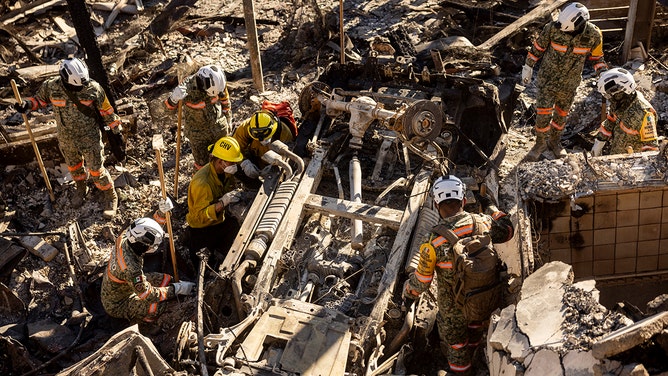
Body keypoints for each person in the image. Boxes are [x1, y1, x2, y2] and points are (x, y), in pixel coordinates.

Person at [403, 175, 514, 375]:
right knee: (476, 329)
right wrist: (489, 206)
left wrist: (408, 294)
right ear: (463, 200)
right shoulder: (483, 223)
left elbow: (422, 282)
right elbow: (508, 230)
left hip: (453, 310)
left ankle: (462, 370)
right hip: (483, 300)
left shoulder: (433, 241)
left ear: (437, 205)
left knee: (456, 348)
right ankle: (476, 351)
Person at [14, 57, 121, 218]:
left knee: (96, 171)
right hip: (66, 139)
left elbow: (107, 111)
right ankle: (81, 188)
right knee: (74, 167)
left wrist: (116, 129)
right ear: (65, 78)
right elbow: (39, 101)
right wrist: (26, 105)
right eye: (75, 86)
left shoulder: (93, 88)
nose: (80, 89)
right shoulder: (51, 86)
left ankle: (110, 196)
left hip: (89, 137)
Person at [521, 2, 608, 161]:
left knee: (561, 115)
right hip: (547, 80)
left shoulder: (594, 35)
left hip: (569, 83)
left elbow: (597, 58)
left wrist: (603, 74)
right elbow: (538, 47)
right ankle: (540, 143)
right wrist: (528, 65)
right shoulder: (553, 28)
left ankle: (555, 142)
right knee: (543, 113)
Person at [101, 217, 196, 323]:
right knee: (158, 307)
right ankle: (145, 322)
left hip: (120, 288)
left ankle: (179, 286)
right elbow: (148, 295)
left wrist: (161, 214)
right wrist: (176, 289)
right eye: (150, 246)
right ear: (142, 245)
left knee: (165, 278)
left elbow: (145, 227)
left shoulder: (126, 236)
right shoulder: (131, 269)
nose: (151, 249)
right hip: (118, 304)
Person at [184, 136, 244, 267]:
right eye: (232, 163)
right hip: (201, 230)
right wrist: (222, 203)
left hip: (219, 220)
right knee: (204, 264)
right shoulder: (203, 183)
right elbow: (199, 216)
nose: (235, 166)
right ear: (220, 161)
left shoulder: (225, 171)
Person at [165, 64, 232, 170]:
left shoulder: (218, 82)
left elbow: (225, 101)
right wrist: (173, 99)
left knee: (224, 159)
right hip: (198, 136)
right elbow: (167, 112)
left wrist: (228, 119)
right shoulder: (186, 89)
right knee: (202, 166)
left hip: (219, 128)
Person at [591, 67, 659, 156]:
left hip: (631, 161)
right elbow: (611, 120)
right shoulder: (621, 102)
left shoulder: (643, 112)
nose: (609, 98)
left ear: (621, 91)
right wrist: (599, 141)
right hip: (616, 156)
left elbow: (651, 147)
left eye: (610, 95)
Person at [232, 107, 296, 179]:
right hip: (254, 158)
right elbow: (234, 150)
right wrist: (244, 163)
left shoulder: (284, 132)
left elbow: (288, 155)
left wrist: (275, 166)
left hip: (274, 162)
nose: (262, 140)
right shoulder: (244, 128)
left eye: (265, 137)